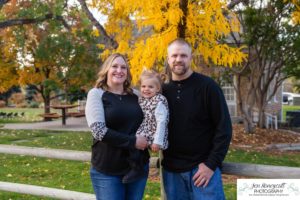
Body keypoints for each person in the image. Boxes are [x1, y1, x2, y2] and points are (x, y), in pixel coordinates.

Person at [162, 38, 232, 200]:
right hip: (172, 172)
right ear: (168, 59)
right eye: (174, 56)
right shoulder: (162, 91)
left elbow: (224, 129)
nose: (178, 59)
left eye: (183, 55)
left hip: (202, 171)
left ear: (191, 58)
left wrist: (210, 164)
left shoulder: (208, 87)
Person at [85, 53, 150, 200]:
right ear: (106, 70)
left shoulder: (137, 95)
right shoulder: (97, 94)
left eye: (123, 67)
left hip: (138, 166)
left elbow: (151, 118)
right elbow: (99, 131)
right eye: (114, 66)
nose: (119, 70)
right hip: (107, 169)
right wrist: (134, 141)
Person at [123, 69, 169, 183]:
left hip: (154, 132)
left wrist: (157, 141)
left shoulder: (159, 101)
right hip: (145, 129)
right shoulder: (143, 99)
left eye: (150, 87)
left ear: (157, 89)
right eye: (143, 86)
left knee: (135, 145)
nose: (146, 89)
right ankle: (132, 166)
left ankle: (137, 169)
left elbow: (162, 122)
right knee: (131, 141)